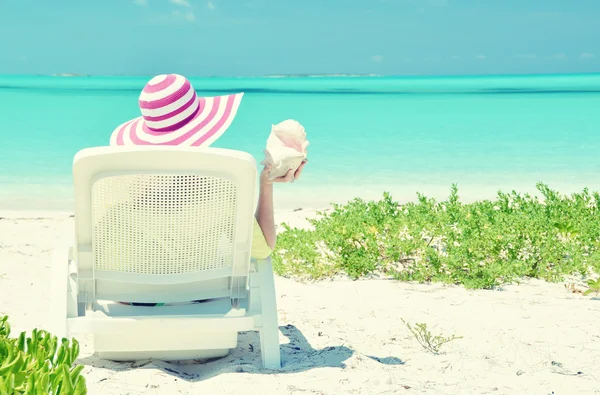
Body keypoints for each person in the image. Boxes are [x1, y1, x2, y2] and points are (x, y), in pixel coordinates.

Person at [107, 73, 306, 306]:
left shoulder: (122, 196)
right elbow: (263, 249)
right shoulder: (222, 190)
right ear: (201, 130)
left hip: (137, 304)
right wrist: (267, 183)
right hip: (202, 298)